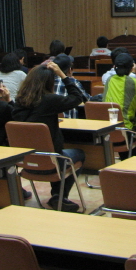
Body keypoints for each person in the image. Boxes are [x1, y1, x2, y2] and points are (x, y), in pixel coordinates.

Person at [12, 62, 85, 212]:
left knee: (56, 153)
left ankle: (58, 195)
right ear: (49, 83)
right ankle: (59, 196)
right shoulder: (49, 100)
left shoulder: (19, 100)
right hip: (51, 163)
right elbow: (78, 97)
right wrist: (63, 75)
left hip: (25, 162)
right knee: (78, 153)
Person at [103, 53, 136, 158]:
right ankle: (130, 160)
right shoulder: (135, 83)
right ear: (132, 67)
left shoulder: (109, 80)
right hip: (125, 130)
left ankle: (125, 159)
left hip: (107, 130)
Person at [52, 54, 90, 118]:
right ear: (70, 70)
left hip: (50, 121)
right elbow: (87, 100)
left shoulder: (46, 81)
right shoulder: (73, 82)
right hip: (69, 121)